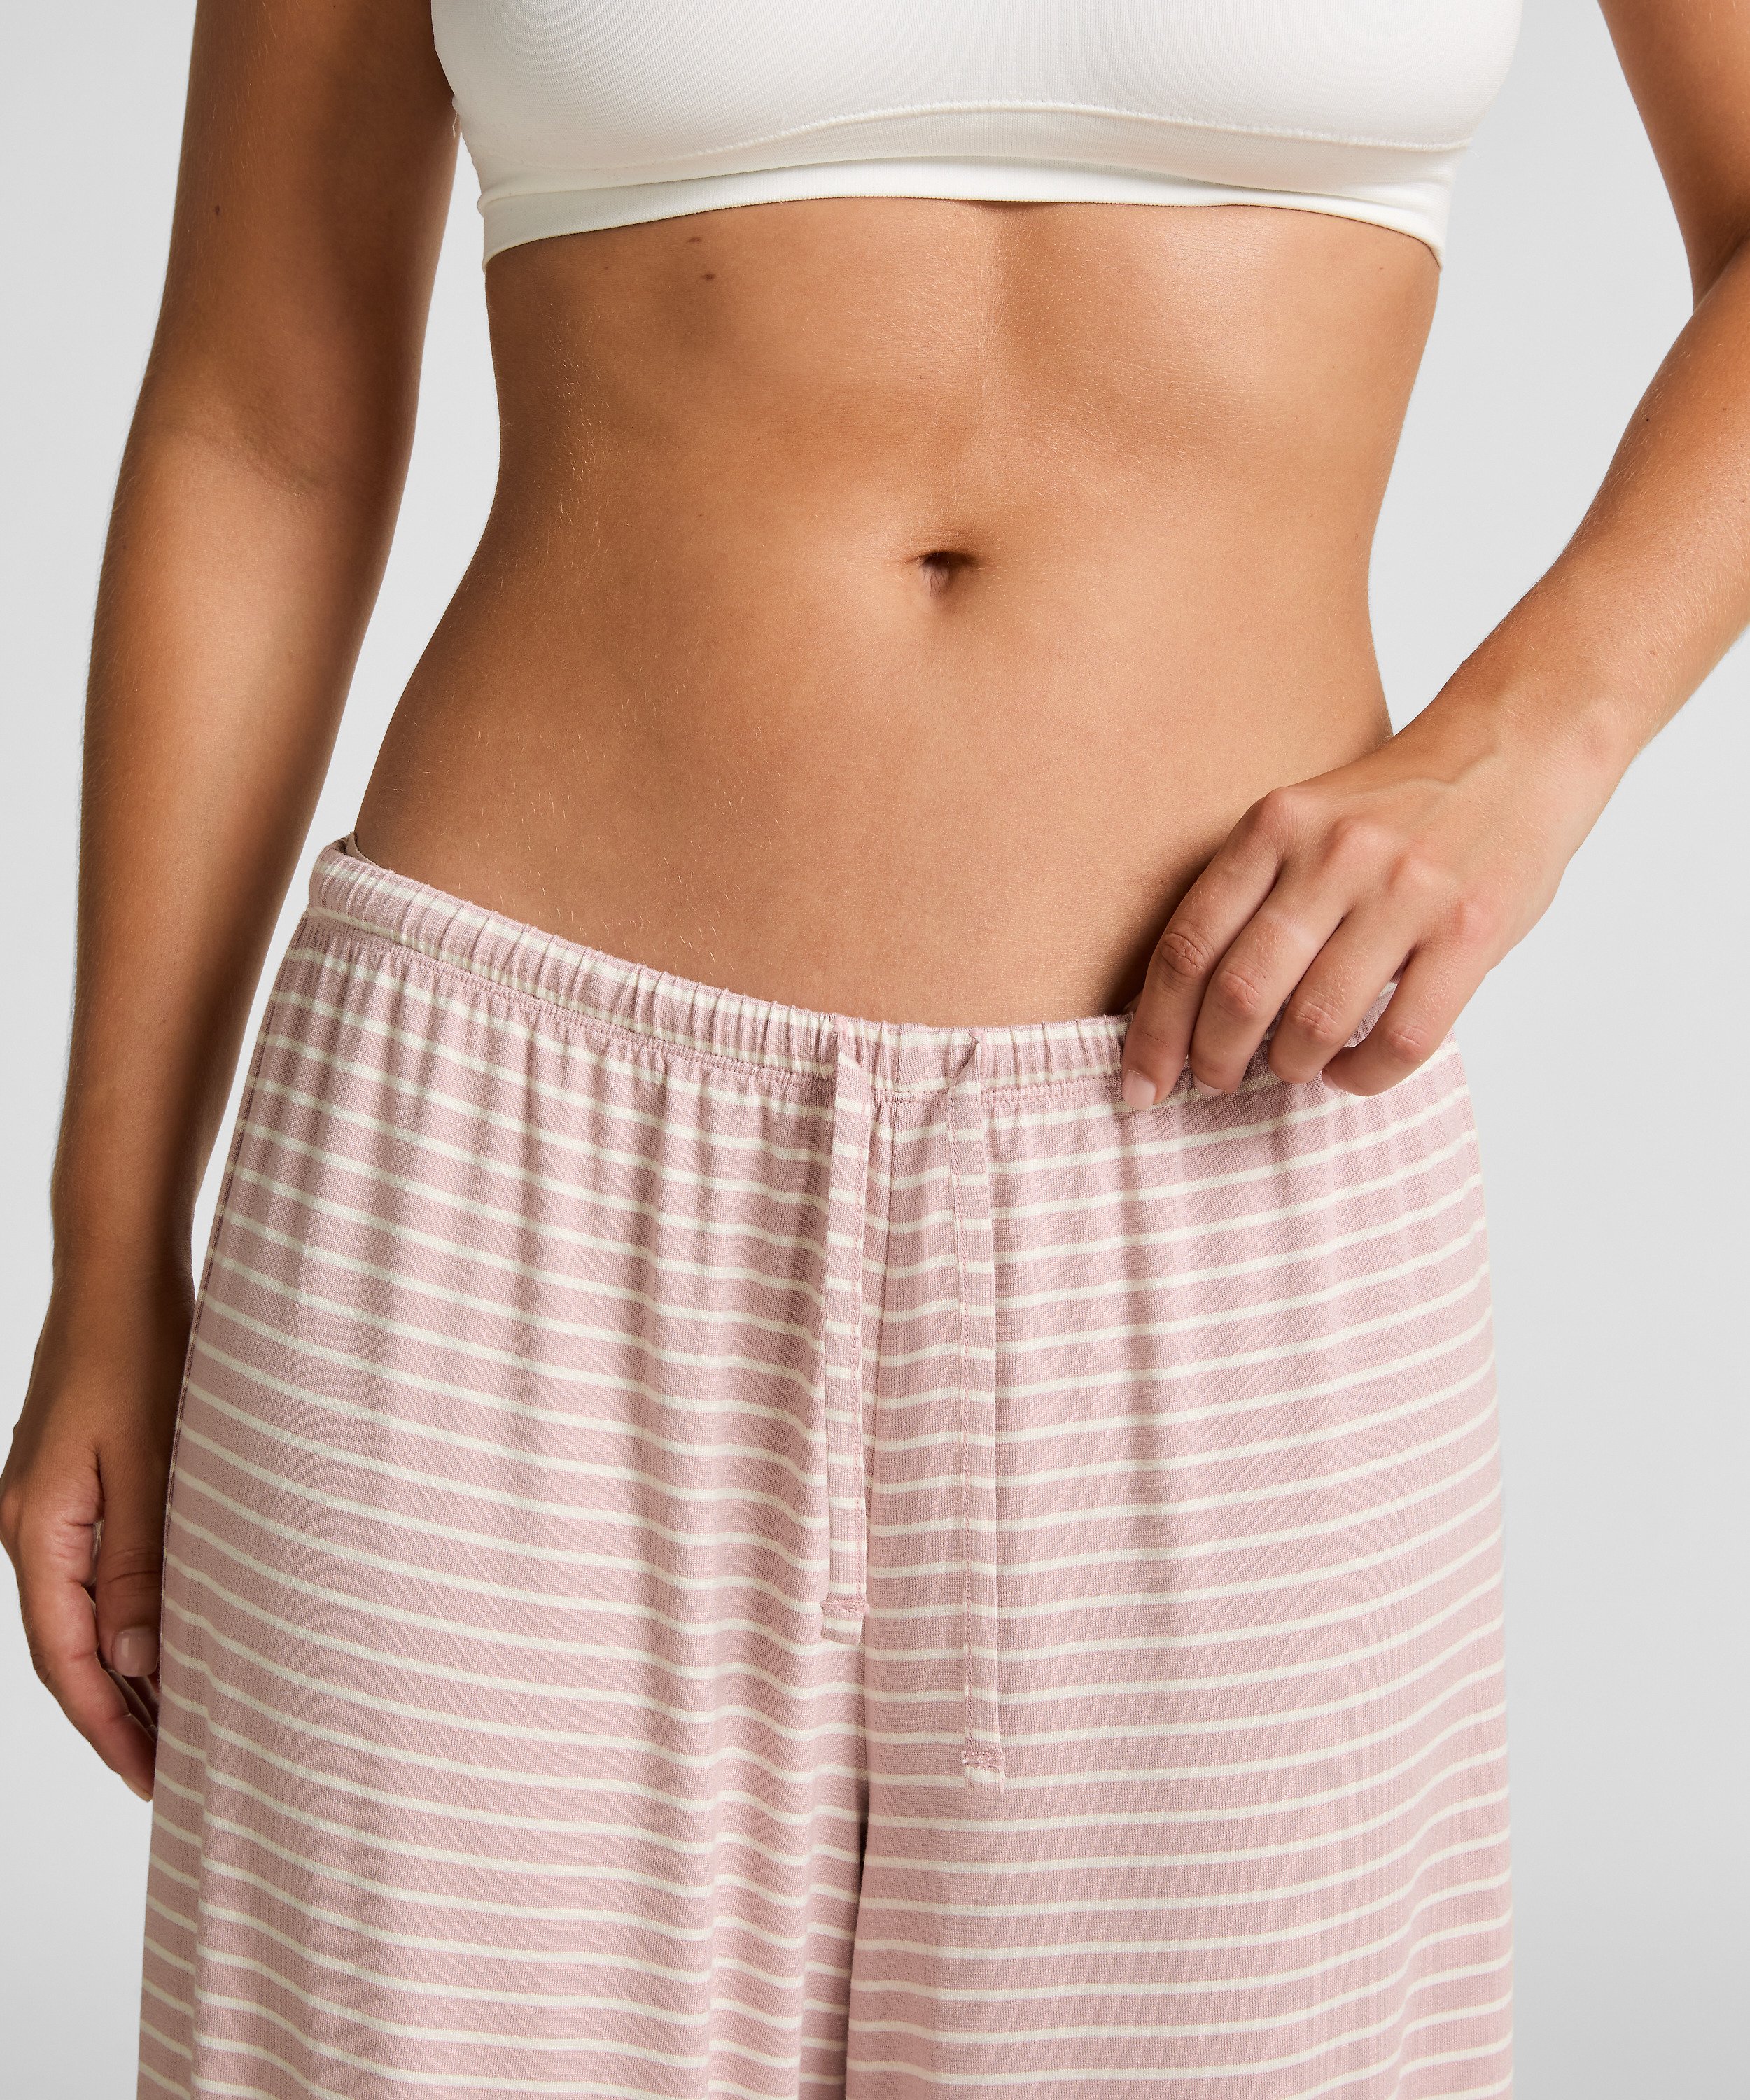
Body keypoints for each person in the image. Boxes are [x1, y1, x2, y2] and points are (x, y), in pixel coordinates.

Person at [4, 1, 1747, 2093]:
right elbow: (260, 426)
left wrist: (1536, 742)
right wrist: (111, 1248)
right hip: (495, 1175)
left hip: (1228, 1132)